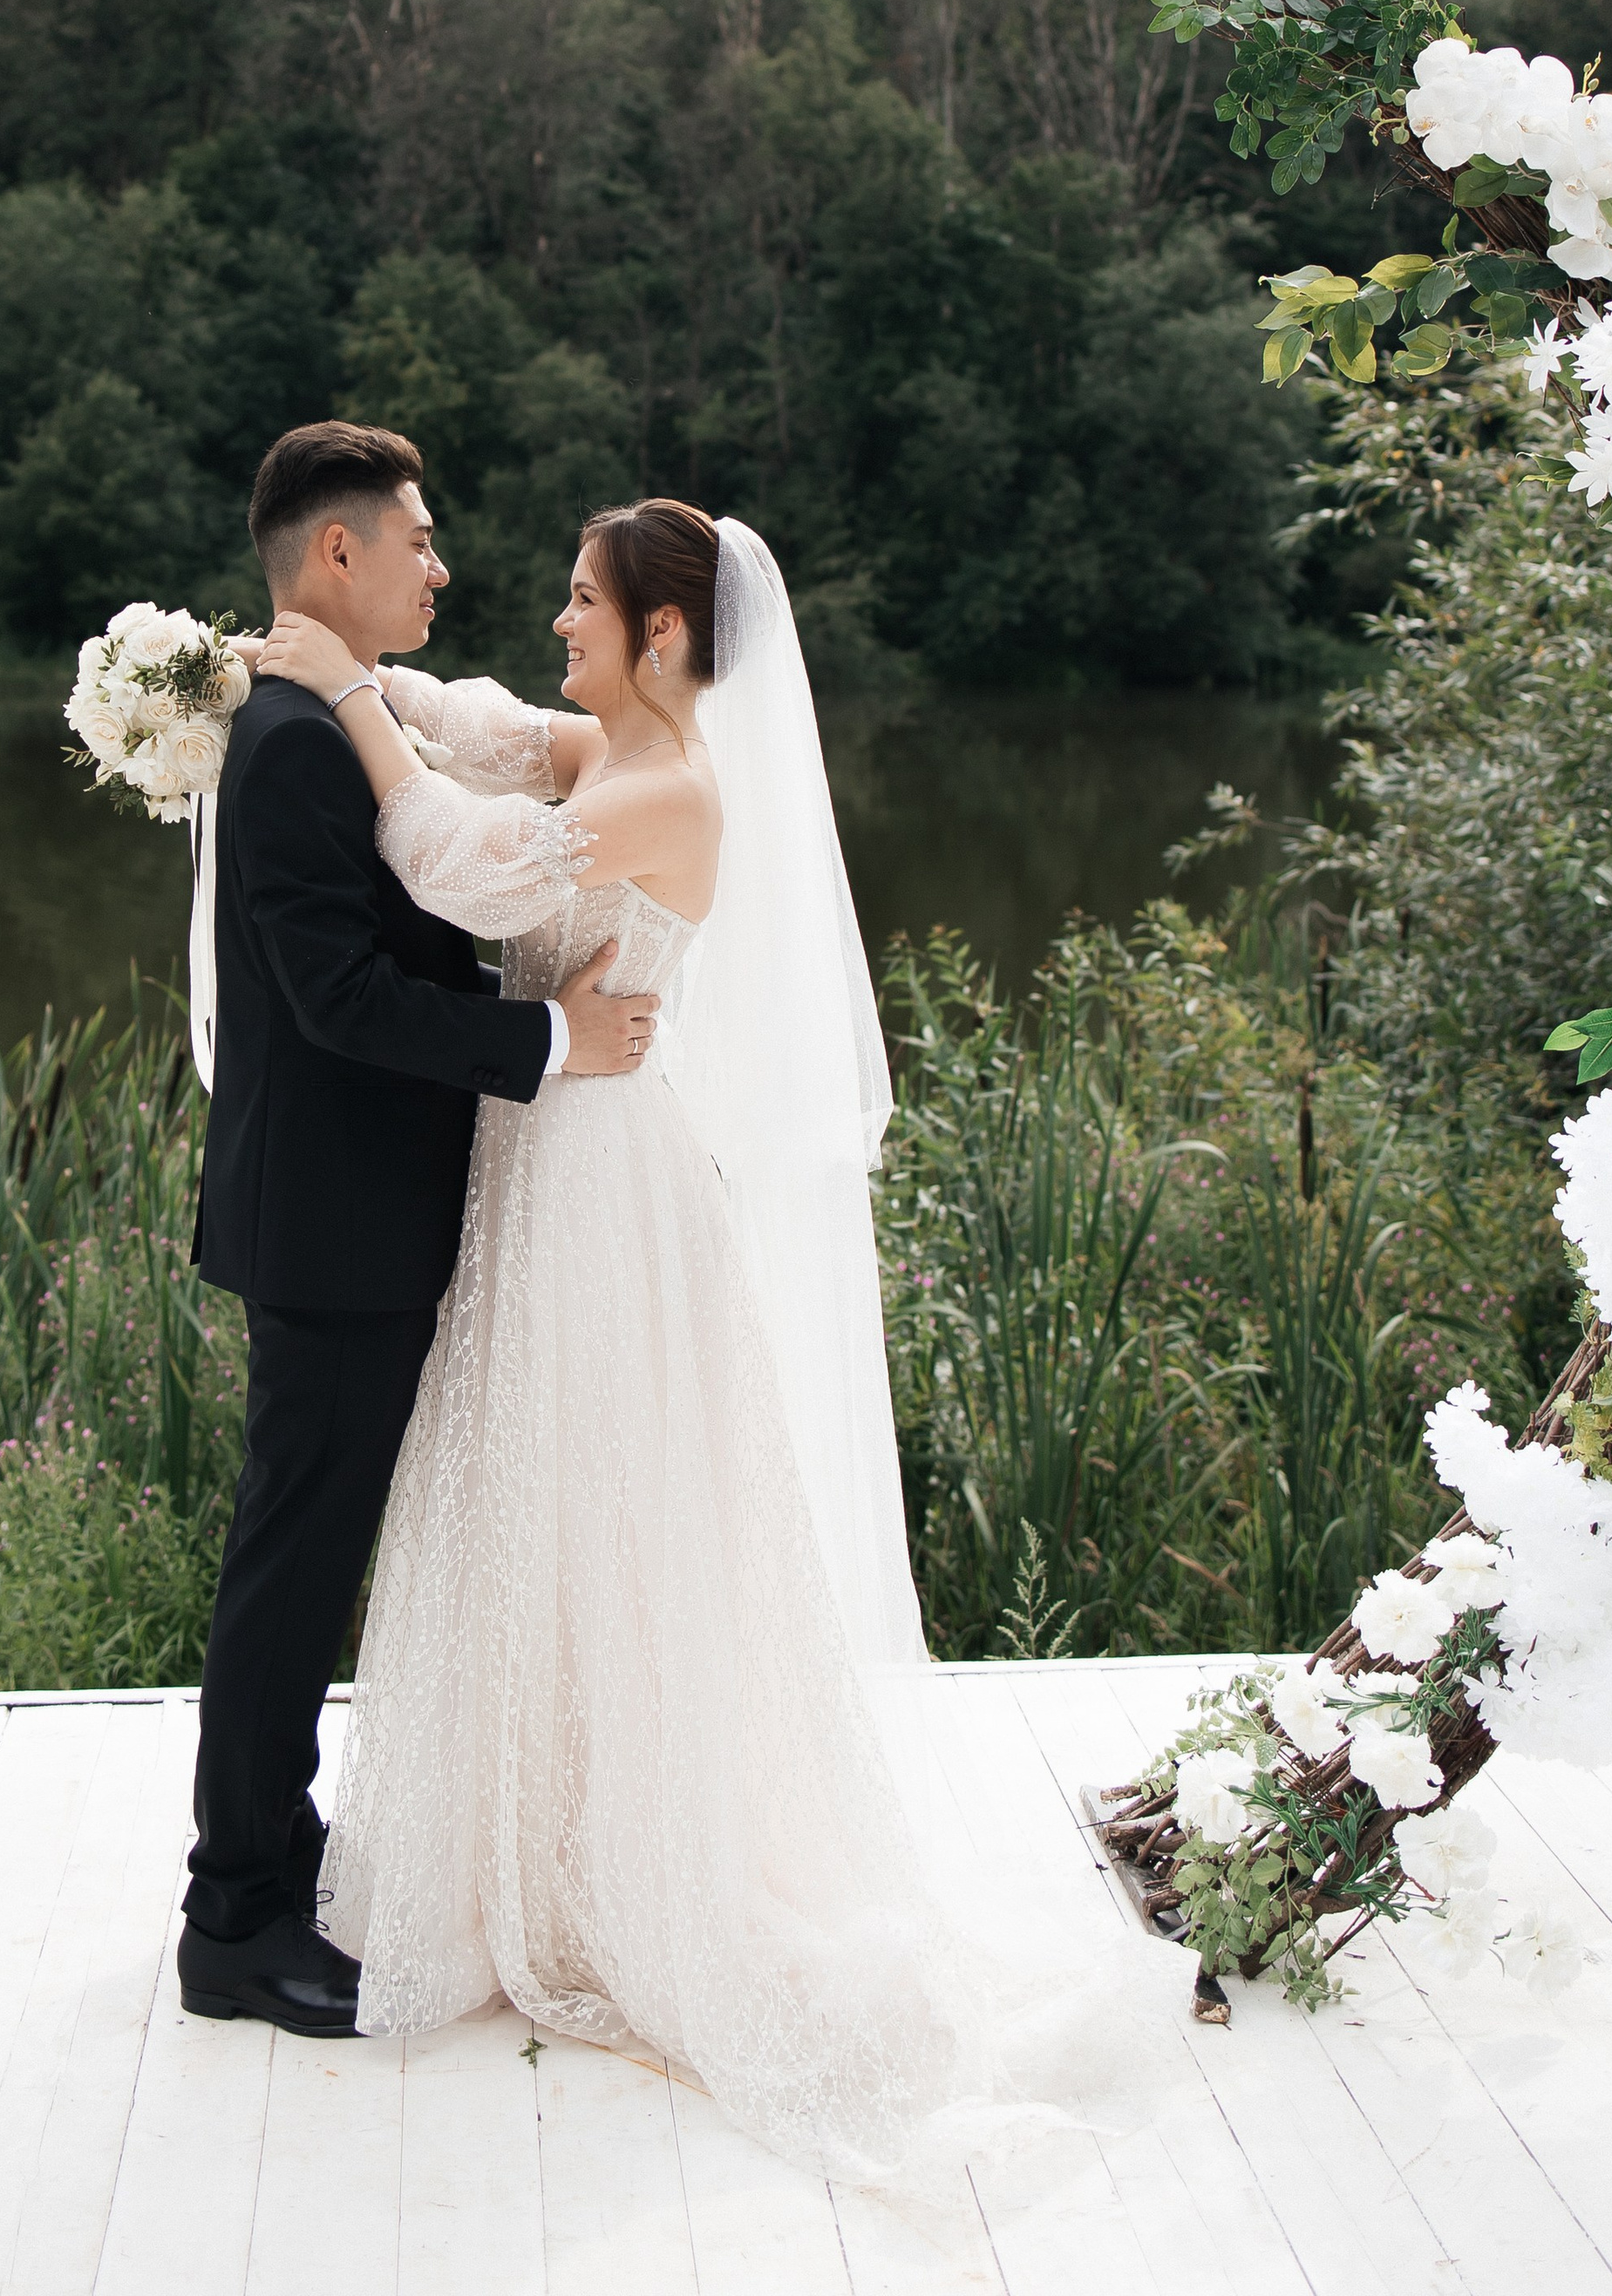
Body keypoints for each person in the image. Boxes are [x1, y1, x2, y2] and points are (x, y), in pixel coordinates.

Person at [255, 499, 983, 2175]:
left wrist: (349, 700)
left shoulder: (664, 790)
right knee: (525, 1494)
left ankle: (617, 1872)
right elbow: (488, 728)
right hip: (541, 1150)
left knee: (592, 1491)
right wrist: (323, 666)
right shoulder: (604, 746)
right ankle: (524, 1842)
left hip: (596, 1172)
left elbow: (449, 859)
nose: (558, 620)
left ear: (663, 634)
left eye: (584, 602)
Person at [176, 423, 663, 2038]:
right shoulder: (303, 742)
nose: (445, 568)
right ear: (338, 556)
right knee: (291, 1575)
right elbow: (339, 997)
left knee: (301, 1562)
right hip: (331, 1227)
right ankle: (235, 1922)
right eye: (421, 541)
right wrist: (542, 1048)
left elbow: (464, 788)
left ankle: (271, 1864)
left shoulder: (343, 713)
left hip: (352, 1214)